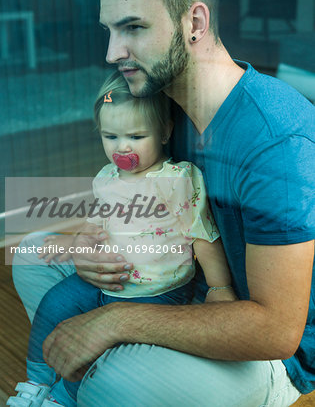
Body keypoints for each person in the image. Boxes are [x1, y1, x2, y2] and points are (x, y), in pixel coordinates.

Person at [12, 0, 315, 406]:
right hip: (177, 284)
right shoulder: (164, 103)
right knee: (33, 253)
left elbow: (275, 331)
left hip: (264, 346)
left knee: (115, 384)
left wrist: (117, 320)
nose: (112, 52)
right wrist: (92, 246)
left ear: (194, 22)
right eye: (108, 31)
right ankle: (86, 376)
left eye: (132, 27)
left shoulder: (276, 139)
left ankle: (86, 379)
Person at [8, 71, 236, 406]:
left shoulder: (178, 180)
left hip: (157, 293)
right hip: (106, 282)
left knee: (107, 353)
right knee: (53, 305)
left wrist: (219, 288)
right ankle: (37, 382)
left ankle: (64, 397)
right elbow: (96, 222)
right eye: (110, 136)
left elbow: (203, 235)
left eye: (136, 135)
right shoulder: (107, 177)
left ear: (165, 132)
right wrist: (85, 242)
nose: (122, 147)